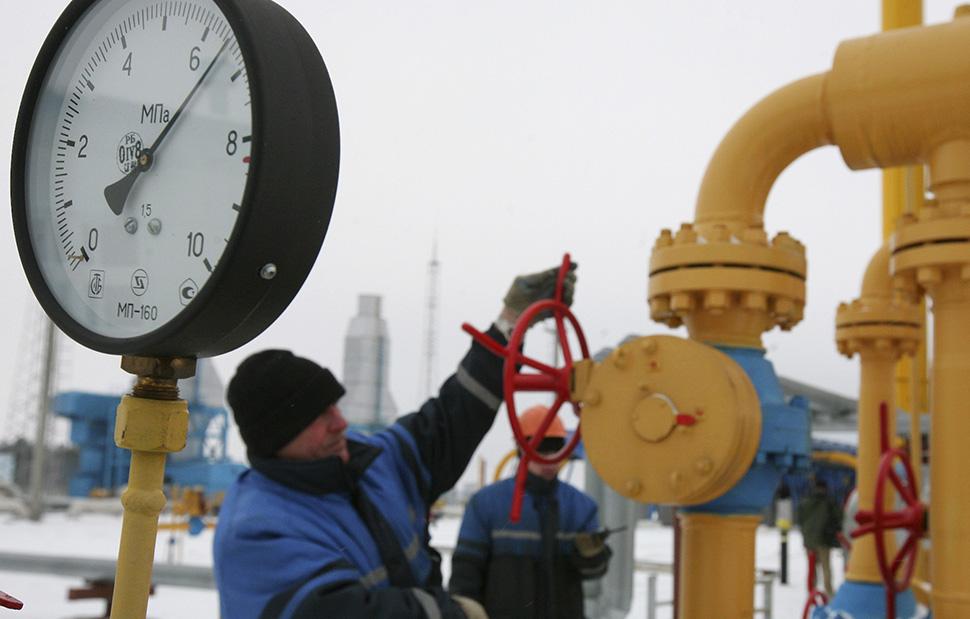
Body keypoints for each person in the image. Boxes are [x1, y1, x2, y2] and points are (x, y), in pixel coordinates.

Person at [213, 263, 576, 619]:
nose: (340, 423)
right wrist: (447, 612)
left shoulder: (375, 463)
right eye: (318, 417)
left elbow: (452, 418)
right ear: (277, 439)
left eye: (334, 406)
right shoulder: (256, 531)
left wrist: (511, 321)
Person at [448, 405, 612, 618]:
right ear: (520, 447)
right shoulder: (485, 505)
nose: (549, 457)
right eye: (541, 447)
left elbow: (594, 573)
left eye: (556, 447)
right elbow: (465, 573)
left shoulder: (581, 508)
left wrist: (592, 556)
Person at [797, 477, 843, 597]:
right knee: (826, 567)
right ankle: (829, 592)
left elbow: (800, 519)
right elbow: (838, 517)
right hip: (824, 540)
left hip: (809, 541)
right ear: (825, 489)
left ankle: (812, 592)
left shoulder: (806, 502)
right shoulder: (829, 502)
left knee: (812, 568)